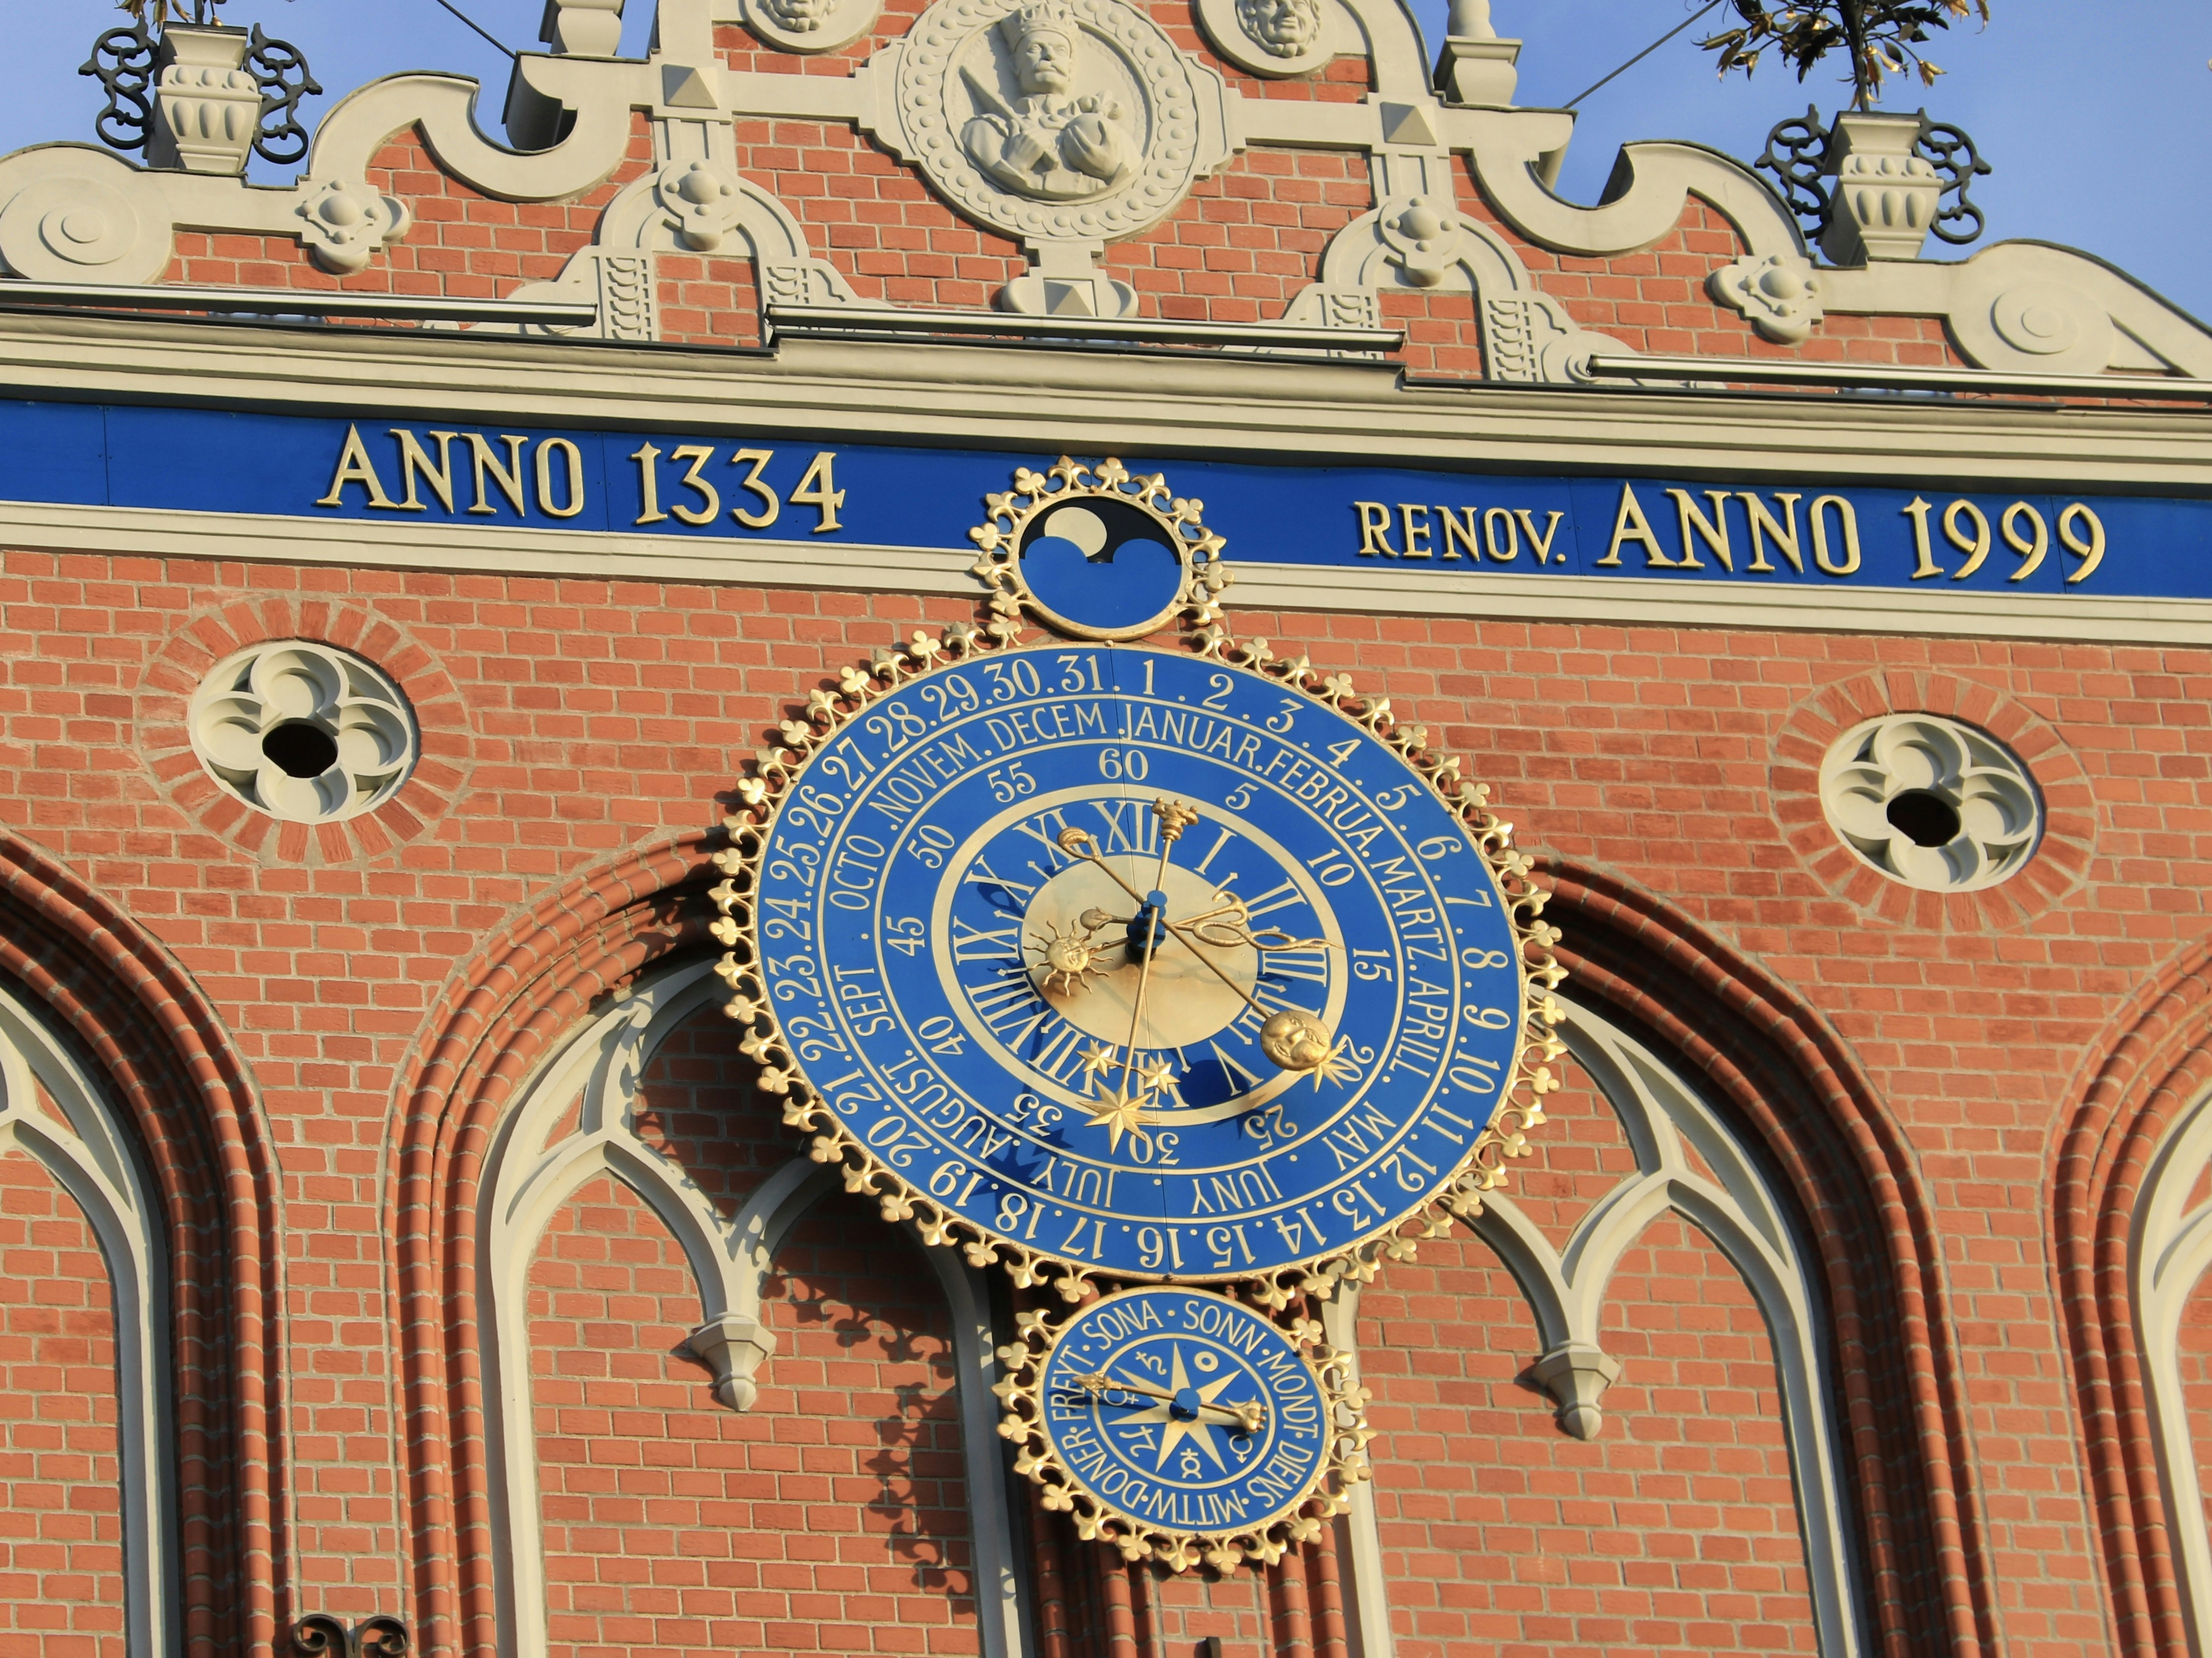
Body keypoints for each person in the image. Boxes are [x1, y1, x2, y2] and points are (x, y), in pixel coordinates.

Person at [961, 0, 1139, 199]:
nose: (1049, 56)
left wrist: (1109, 169)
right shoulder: (986, 131)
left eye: (1060, 50)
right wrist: (1017, 162)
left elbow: (1127, 168)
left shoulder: (1110, 135)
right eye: (1036, 48)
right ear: (1014, 65)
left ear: (1071, 68)